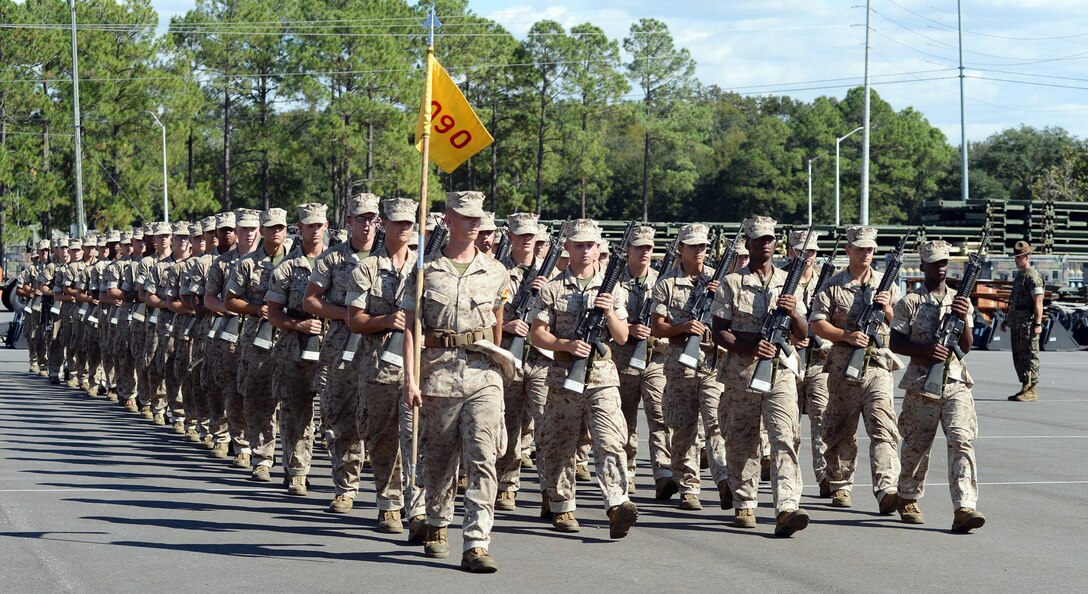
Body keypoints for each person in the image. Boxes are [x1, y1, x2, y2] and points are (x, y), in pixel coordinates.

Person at [402, 190, 508, 573]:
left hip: (483, 376)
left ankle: (477, 542)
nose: (474, 222)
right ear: (448, 220)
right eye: (466, 216)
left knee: (483, 458)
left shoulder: (496, 270)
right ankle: (437, 521)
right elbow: (412, 330)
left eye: (478, 216)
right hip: (439, 374)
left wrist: (498, 368)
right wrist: (410, 379)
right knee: (439, 459)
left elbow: (497, 321)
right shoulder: (424, 271)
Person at [529, 218, 639, 536]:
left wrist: (606, 312)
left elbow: (621, 337)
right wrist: (566, 345)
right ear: (567, 247)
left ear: (598, 247)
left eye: (590, 244)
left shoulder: (612, 288)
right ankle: (562, 506)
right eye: (579, 244)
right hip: (563, 375)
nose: (585, 250)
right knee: (560, 444)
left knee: (610, 440)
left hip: (602, 376)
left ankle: (617, 503)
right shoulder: (551, 288)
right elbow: (538, 335)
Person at [711, 216, 809, 536]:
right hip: (741, 373)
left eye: (770, 239)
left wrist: (793, 311)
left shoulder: (788, 282)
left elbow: (802, 334)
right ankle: (745, 502)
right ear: (749, 244)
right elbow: (719, 332)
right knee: (742, 440)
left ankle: (787, 506)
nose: (765, 244)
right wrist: (750, 348)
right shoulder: (732, 283)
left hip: (779, 373)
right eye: (759, 239)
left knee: (785, 436)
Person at [889, 240, 985, 532]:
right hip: (921, 383)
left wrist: (964, 318)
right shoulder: (910, 302)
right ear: (923, 266)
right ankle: (907, 495)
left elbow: (966, 346)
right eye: (935, 263)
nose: (941, 267)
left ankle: (964, 506)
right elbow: (895, 342)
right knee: (917, 445)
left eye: (944, 262)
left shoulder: (959, 299)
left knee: (961, 440)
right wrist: (925, 350)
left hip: (955, 381)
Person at [810, 226, 902, 514]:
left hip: (877, 366)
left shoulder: (888, 286)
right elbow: (817, 323)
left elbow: (903, 325)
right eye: (860, 248)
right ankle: (839, 485)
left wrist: (888, 310)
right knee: (840, 429)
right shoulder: (833, 285)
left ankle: (887, 488)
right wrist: (845, 336)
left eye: (870, 249)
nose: (866, 254)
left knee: (883, 428)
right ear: (848, 250)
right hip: (842, 368)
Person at [346, 198, 420, 534]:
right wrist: (387, 320)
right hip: (376, 367)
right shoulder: (366, 269)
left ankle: (417, 506)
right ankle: (389, 504)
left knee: (417, 437)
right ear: (384, 225)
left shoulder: (425, 268)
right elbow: (354, 321)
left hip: (416, 368)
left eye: (409, 223)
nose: (404, 228)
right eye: (397, 222)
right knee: (382, 438)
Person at [304, 193, 381, 514]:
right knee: (342, 418)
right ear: (348, 221)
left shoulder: (397, 259)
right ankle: (346, 488)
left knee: (384, 421)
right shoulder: (332, 259)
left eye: (372, 218)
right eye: (360, 218)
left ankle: (390, 495)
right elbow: (311, 301)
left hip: (383, 351)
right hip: (341, 349)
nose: (366, 224)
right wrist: (347, 315)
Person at [651, 223, 730, 510]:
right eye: (693, 246)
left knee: (716, 424)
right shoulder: (666, 284)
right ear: (680, 248)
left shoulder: (719, 282)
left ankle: (724, 479)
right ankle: (688, 488)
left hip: (712, 364)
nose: (699, 251)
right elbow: (657, 328)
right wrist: (683, 326)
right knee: (683, 429)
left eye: (703, 247)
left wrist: (720, 295)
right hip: (679, 366)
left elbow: (731, 320)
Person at [267, 203, 328, 495]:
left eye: (319, 225)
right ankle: (297, 470)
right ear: (299, 228)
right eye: (309, 225)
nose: (314, 230)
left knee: (337, 414)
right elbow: (273, 313)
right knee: (295, 412)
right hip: (294, 348)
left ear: (326, 227)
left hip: (333, 349)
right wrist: (297, 325)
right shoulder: (287, 268)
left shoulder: (340, 263)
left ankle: (345, 478)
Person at [226, 208, 290, 482]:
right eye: (271, 227)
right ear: (262, 230)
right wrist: (255, 308)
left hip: (292, 339)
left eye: (280, 227)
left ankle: (294, 462)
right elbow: (230, 300)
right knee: (258, 398)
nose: (276, 232)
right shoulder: (247, 264)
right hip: (257, 339)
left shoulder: (299, 262)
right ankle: (262, 457)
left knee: (292, 401)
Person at [494, 212, 551, 514]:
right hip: (507, 358)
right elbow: (483, 313)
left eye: (533, 236)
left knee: (547, 425)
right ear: (511, 237)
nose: (528, 240)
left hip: (542, 360)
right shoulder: (495, 271)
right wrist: (506, 327)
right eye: (522, 235)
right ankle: (506, 485)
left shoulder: (551, 274)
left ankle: (551, 492)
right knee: (509, 424)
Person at [613, 226, 672, 499]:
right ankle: (628, 472)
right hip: (622, 359)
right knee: (625, 420)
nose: (645, 252)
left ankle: (663, 473)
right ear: (629, 250)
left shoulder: (662, 281)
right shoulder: (613, 282)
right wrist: (631, 328)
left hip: (654, 360)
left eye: (649, 247)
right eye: (640, 247)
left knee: (659, 416)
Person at [205, 209, 260, 465]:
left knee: (258, 391)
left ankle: (260, 445)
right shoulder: (222, 263)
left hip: (264, 334)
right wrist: (229, 308)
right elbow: (209, 297)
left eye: (252, 229)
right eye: (243, 229)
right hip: (230, 333)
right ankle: (240, 444)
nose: (248, 234)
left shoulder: (271, 261)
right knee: (232, 389)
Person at [786, 229, 832, 496]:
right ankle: (789, 479)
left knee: (822, 420)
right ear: (793, 252)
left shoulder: (826, 282)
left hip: (818, 362)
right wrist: (793, 339)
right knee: (789, 425)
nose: (809, 257)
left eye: (813, 252)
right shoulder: (781, 280)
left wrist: (819, 340)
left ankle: (826, 476)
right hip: (789, 361)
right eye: (804, 252)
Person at [1003, 241, 1045, 402]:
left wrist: (1038, 323)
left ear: (1028, 257)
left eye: (1020, 257)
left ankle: (1032, 389)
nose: (1017, 260)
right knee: (1019, 355)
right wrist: (1007, 320)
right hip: (1017, 322)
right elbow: (1014, 300)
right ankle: (1024, 386)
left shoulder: (1033, 277)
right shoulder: (1020, 275)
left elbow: (1038, 302)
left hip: (1028, 322)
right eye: (1016, 257)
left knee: (1030, 354)